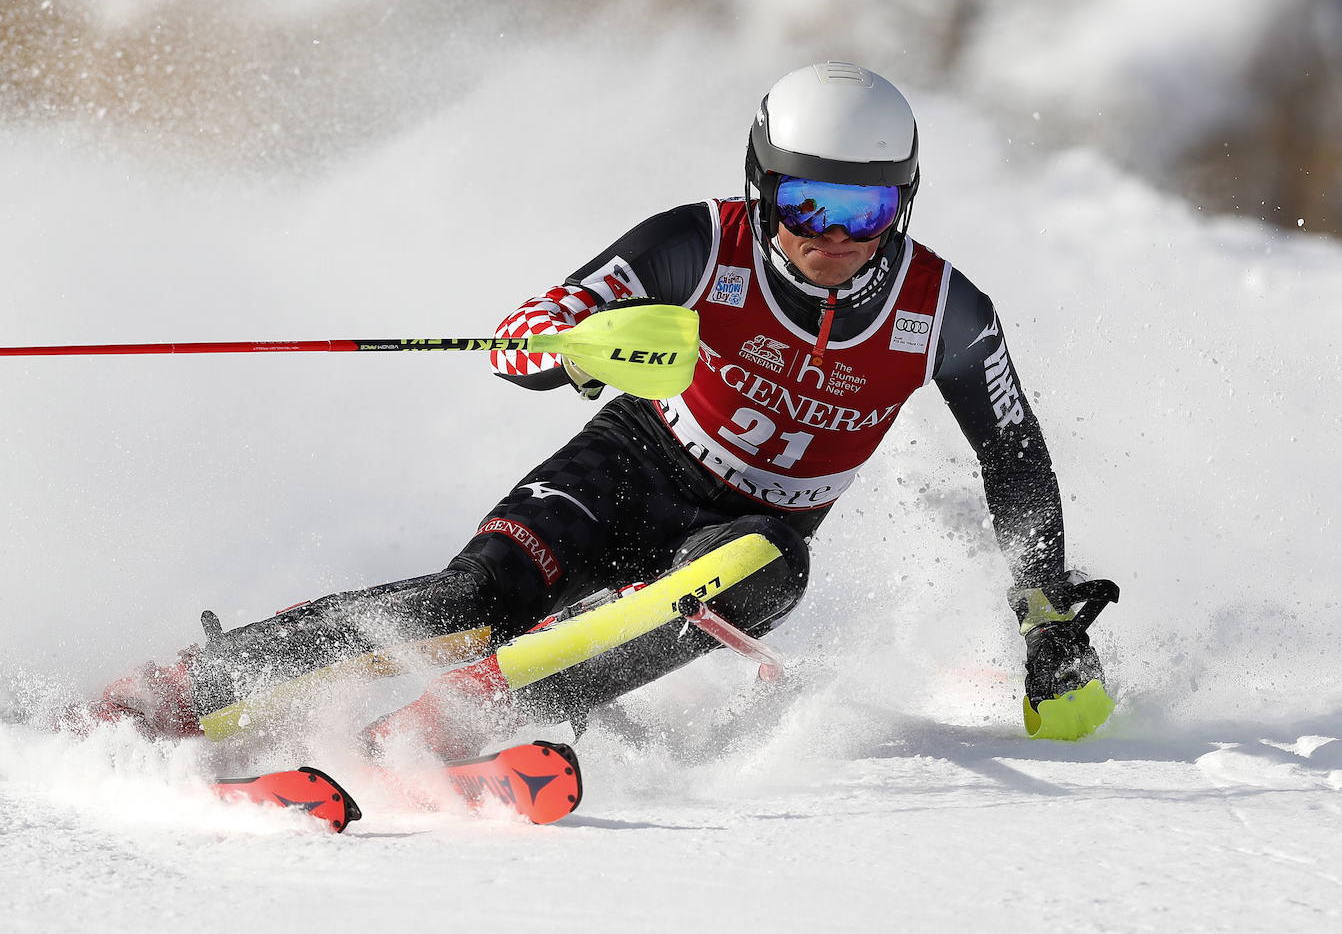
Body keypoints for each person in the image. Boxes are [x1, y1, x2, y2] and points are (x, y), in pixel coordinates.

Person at [87, 62, 1114, 750]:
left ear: (905, 200)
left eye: (866, 208)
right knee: (472, 603)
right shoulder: (696, 243)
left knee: (768, 568)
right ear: (762, 188)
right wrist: (558, 350)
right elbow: (541, 322)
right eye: (808, 203)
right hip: (624, 464)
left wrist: (1044, 616)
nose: (833, 235)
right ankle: (195, 685)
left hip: (735, 533)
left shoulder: (945, 310)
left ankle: (463, 728)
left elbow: (1014, 464)